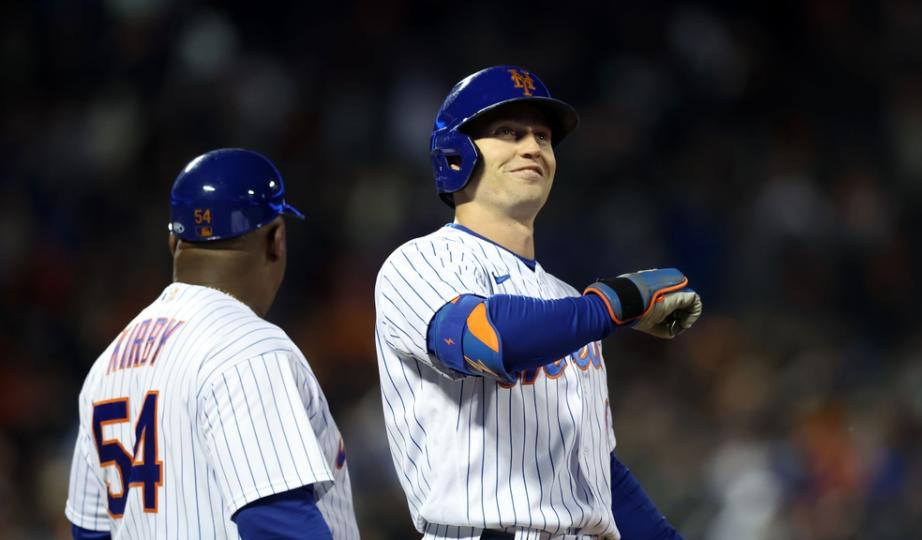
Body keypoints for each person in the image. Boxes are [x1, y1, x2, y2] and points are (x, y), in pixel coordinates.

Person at [374, 66, 703, 540]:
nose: (533, 148)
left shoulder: (567, 301)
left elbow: (596, 477)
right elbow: (487, 339)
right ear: (455, 155)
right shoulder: (419, 262)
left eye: (543, 137)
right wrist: (614, 304)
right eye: (508, 132)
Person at [65, 148, 359, 539]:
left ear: (174, 242)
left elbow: (90, 532)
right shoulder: (251, 347)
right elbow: (276, 523)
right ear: (276, 239)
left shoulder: (108, 364)